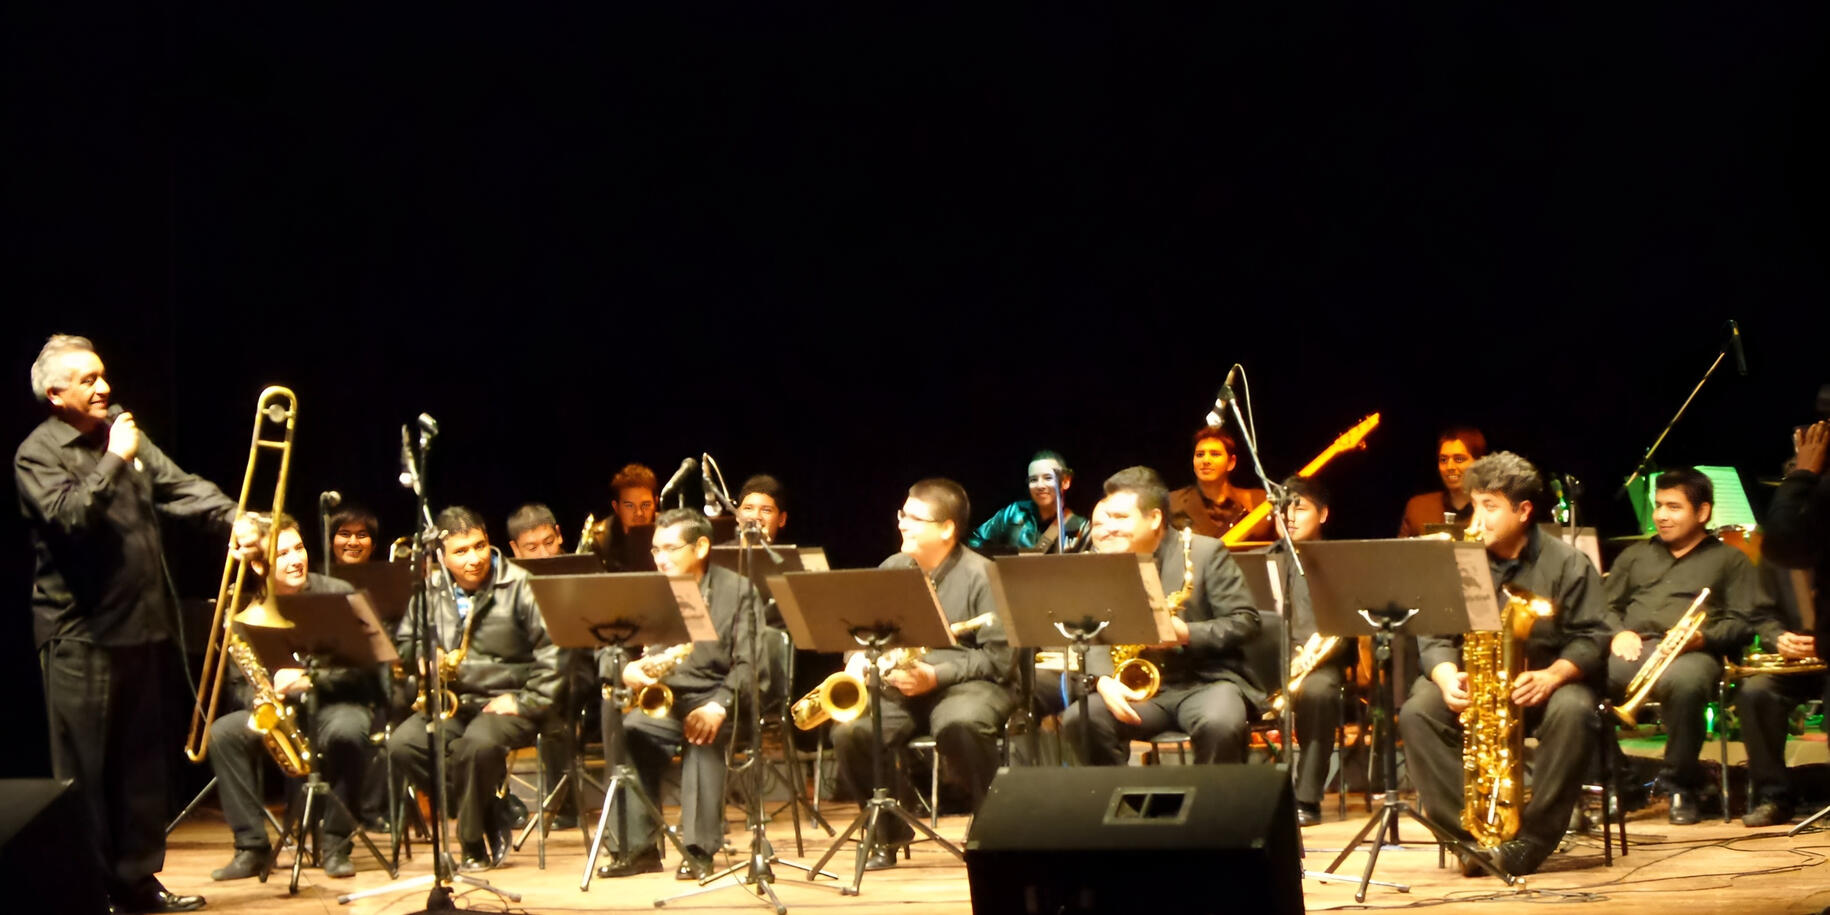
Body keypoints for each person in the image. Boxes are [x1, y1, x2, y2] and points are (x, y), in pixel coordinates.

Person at [17, 335, 245, 913]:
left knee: (141, 769)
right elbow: (71, 518)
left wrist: (237, 519)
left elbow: (180, 486)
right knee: (86, 777)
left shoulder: (122, 429)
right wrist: (117, 459)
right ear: (55, 393)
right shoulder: (38, 453)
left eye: (103, 376)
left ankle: (139, 884)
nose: (105, 388)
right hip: (80, 636)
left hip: (142, 628)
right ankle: (90, 890)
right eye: (89, 380)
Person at [1397, 452, 1608, 877]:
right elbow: (1434, 634)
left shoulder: (1568, 564)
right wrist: (1443, 675)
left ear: (1524, 511)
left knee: (1575, 710)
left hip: (1544, 684)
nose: (1477, 518)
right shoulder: (1459, 560)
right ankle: (1469, 838)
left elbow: (1593, 637)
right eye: (1475, 505)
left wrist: (1554, 675)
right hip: (1474, 684)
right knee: (1417, 712)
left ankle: (1530, 842)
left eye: (1489, 507)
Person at [829, 479, 1014, 870]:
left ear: (947, 528)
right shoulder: (894, 568)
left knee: (961, 724)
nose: (902, 524)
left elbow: (999, 660)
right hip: (901, 682)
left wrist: (937, 675)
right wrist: (857, 656)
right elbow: (860, 631)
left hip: (969, 683)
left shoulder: (984, 576)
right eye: (902, 515)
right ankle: (889, 829)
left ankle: (992, 826)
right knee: (851, 730)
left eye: (913, 517)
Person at [207, 514, 383, 881]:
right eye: (282, 553)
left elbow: (370, 667)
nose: (295, 559)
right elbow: (238, 682)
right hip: (280, 713)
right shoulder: (244, 609)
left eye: (298, 548)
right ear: (258, 563)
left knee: (348, 732)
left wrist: (310, 680)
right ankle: (251, 846)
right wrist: (258, 699)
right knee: (223, 733)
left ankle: (336, 841)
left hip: (339, 704)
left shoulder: (340, 593)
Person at [387, 506, 560, 871]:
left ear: (489, 540)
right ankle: (488, 810)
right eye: (461, 551)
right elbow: (404, 641)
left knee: (475, 747)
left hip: (508, 702)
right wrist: (419, 656)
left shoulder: (521, 585)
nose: (474, 559)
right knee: (404, 745)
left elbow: (555, 651)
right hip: (450, 702)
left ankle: (470, 843)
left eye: (479, 546)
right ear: (443, 556)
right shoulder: (429, 589)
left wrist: (525, 700)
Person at [1062, 466, 1265, 766]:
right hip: (1137, 690)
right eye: (1106, 519)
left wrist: (1185, 633)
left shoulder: (1205, 553)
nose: (1109, 528)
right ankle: (1121, 807)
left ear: (1155, 518)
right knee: (1082, 718)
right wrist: (1101, 679)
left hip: (1206, 683)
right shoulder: (1101, 562)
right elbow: (1085, 631)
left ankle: (1214, 809)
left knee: (1221, 723)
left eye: (1120, 518)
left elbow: (1246, 621)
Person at [595, 509, 756, 880]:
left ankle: (698, 850)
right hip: (663, 699)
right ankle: (637, 849)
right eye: (655, 550)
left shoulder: (737, 591)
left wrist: (719, 705)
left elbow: (750, 664)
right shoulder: (649, 590)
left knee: (701, 735)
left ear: (701, 547)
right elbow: (609, 644)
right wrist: (624, 668)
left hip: (719, 698)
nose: (660, 559)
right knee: (629, 729)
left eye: (670, 549)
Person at [1603, 468, 1766, 824]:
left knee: (1685, 684)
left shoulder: (1730, 560)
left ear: (1703, 512)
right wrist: (1618, 632)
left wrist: (1701, 638)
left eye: (1674, 507)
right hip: (1633, 646)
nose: (1661, 515)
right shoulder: (1634, 556)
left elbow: (1743, 622)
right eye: (1658, 506)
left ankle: (1679, 786)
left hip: (1695, 652)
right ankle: (1621, 784)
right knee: (1579, 682)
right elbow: (1604, 608)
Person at [1737, 420, 1830, 826]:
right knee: (1756, 691)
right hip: (1798, 658)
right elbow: (1760, 612)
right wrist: (1779, 638)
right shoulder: (1775, 547)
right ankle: (1774, 795)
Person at [1269, 475, 1355, 826]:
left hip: (1319, 664)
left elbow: (1348, 628)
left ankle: (1306, 798)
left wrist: (1307, 658)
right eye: (1282, 509)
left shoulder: (1341, 563)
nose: (1288, 516)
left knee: (1319, 693)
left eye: (1299, 508)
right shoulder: (1258, 561)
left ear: (1322, 515)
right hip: (1266, 663)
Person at [505, 501, 588, 829]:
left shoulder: (582, 569)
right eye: (531, 547)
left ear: (559, 534)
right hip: (524, 671)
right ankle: (497, 800)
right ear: (514, 549)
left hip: (576, 670)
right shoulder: (505, 581)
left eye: (548, 542)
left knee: (555, 705)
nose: (543, 554)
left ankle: (564, 803)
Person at [965, 450, 1090, 553]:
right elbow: (975, 541)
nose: (1040, 485)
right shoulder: (1013, 513)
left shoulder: (1080, 527)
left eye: (1048, 478)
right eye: (1033, 480)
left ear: (1065, 481)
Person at [1167, 427, 1272, 540]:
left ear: (1231, 463)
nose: (1206, 460)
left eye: (1215, 454)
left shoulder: (1258, 500)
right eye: (1200, 454)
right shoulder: (1173, 502)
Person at [1398, 427, 1488, 537]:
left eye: (1459, 459)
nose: (1449, 467)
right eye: (1443, 460)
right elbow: (1400, 552)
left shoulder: (1493, 509)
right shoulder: (1418, 508)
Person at [588, 463, 658, 571]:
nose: (639, 513)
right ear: (616, 507)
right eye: (630, 506)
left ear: (656, 502)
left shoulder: (670, 531)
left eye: (646, 505)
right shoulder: (599, 539)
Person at [734, 474, 789, 543]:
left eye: (766, 510)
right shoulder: (719, 553)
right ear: (737, 514)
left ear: (782, 519)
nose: (755, 516)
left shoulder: (789, 553)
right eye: (748, 508)